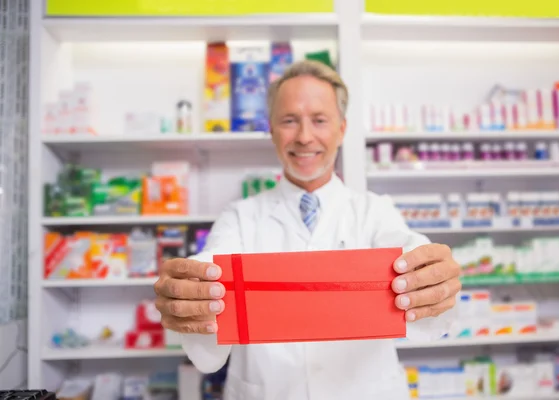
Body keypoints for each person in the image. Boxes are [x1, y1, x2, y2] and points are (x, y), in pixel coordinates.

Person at [154, 60, 462, 400]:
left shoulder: (375, 211)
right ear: (271, 130)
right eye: (289, 121)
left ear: (342, 129)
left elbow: (406, 250)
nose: (304, 137)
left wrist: (432, 276)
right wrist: (192, 290)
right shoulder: (240, 217)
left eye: (319, 120)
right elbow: (212, 263)